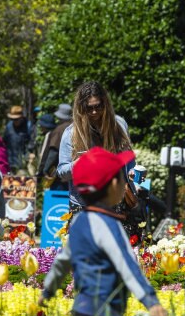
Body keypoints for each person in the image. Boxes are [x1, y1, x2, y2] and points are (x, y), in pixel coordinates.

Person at [40, 147, 167, 316]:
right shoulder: (110, 226)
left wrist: (47, 292)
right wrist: (151, 302)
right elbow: (127, 264)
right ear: (114, 185)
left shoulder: (79, 221)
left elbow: (62, 261)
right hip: (106, 314)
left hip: (81, 310)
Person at [56, 82, 133, 218]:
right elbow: (62, 172)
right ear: (81, 108)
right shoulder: (71, 133)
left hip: (117, 202)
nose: (94, 112)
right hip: (83, 204)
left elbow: (129, 160)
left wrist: (133, 175)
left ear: (106, 104)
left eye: (98, 106)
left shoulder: (119, 125)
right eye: (89, 108)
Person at [37, 103, 72, 191]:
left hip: (60, 174)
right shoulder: (75, 127)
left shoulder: (59, 130)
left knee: (58, 198)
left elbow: (54, 151)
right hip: (75, 171)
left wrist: (46, 169)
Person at [3, 105, 35, 172]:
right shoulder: (9, 126)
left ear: (21, 117)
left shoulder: (28, 126)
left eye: (16, 119)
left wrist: (29, 154)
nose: (14, 121)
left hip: (24, 162)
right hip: (11, 162)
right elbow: (4, 142)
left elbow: (32, 142)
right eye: (12, 119)